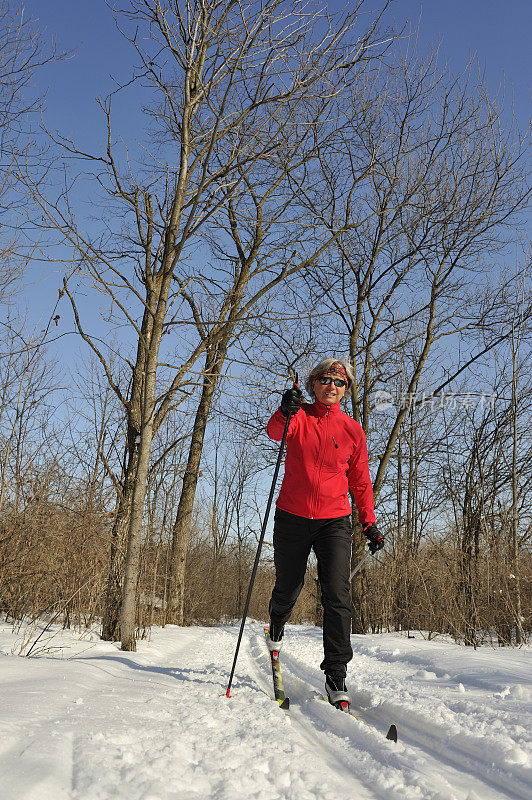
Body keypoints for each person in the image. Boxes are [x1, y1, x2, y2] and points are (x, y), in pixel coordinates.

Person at [265, 358, 384, 707]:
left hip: (334, 520)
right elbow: (275, 432)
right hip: (292, 515)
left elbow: (360, 480)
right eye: (325, 379)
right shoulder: (299, 415)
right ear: (314, 384)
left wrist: (369, 522)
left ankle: (336, 675)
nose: (332, 385)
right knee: (289, 584)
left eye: (340, 381)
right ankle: (276, 624)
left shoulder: (353, 431)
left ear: (346, 389)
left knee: (337, 594)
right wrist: (284, 409)